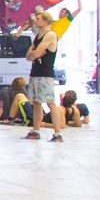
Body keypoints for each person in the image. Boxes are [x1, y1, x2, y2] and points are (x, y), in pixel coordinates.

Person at [24, 11, 65, 142]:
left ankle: (58, 133)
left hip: (45, 74)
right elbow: (29, 55)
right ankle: (36, 130)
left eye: (39, 18)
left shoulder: (50, 35)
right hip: (35, 72)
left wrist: (34, 54)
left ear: (46, 21)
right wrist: (33, 54)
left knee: (50, 103)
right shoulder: (38, 36)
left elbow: (35, 53)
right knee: (36, 103)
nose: (36, 20)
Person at [12, 0, 80, 40]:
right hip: (45, 35)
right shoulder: (55, 22)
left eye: (62, 12)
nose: (60, 13)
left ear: (67, 15)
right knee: (31, 22)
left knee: (33, 20)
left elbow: (79, 9)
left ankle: (20, 31)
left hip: (48, 38)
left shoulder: (67, 20)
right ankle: (18, 33)